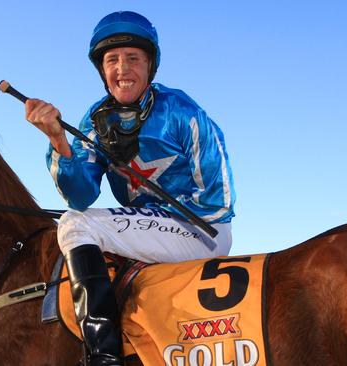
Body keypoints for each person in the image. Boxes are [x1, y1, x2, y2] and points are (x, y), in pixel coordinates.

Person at [23, 10, 235, 365]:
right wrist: (59, 140)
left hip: (203, 229)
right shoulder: (94, 119)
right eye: (112, 60)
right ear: (102, 70)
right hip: (149, 229)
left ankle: (104, 357)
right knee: (75, 219)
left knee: (76, 225)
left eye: (133, 58)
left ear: (149, 66)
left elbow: (218, 199)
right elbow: (80, 196)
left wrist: (155, 217)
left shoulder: (182, 111)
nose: (122, 68)